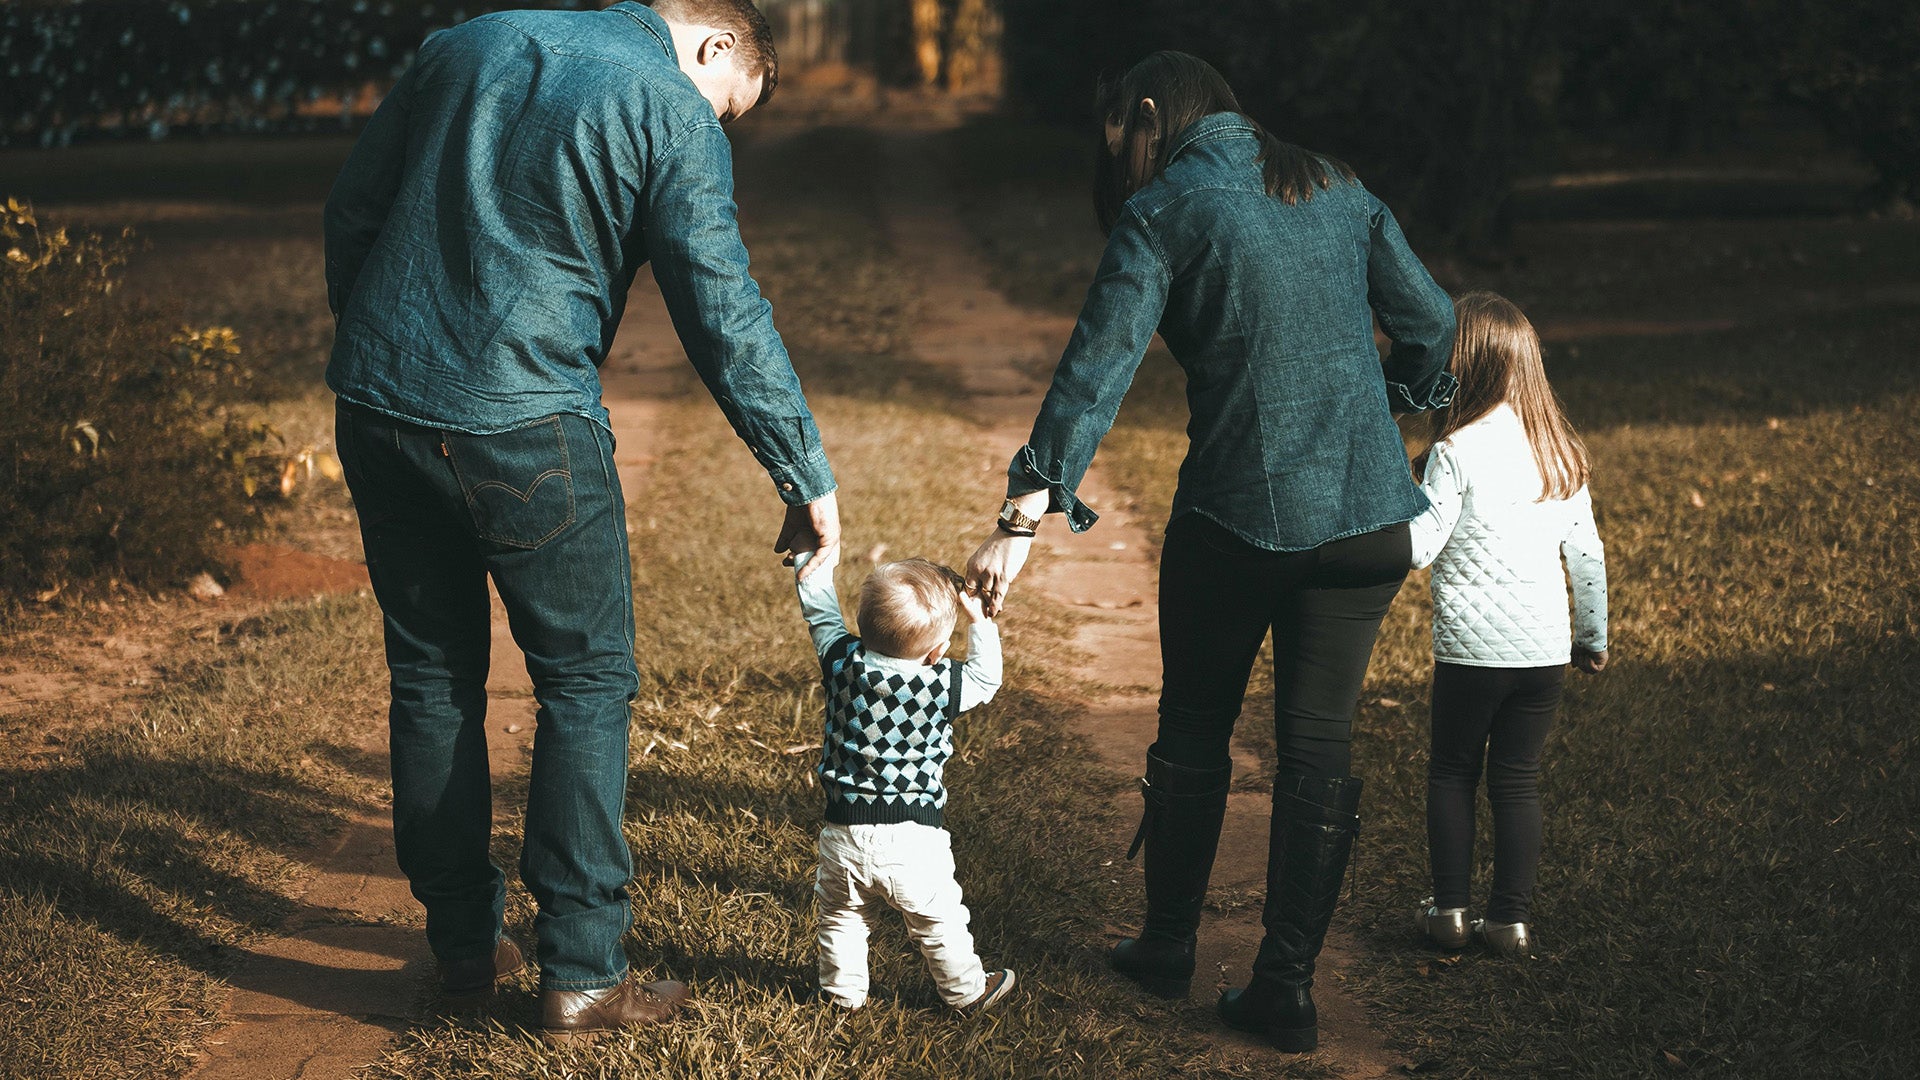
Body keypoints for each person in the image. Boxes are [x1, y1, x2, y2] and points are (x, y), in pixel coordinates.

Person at [323, 0, 842, 1043]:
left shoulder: (466, 41)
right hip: (526, 425)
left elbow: (354, 210)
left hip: (378, 407)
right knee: (586, 680)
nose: (718, 129)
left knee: (432, 675)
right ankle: (584, 972)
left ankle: (465, 949)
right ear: (714, 44)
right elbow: (721, 307)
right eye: (728, 109)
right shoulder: (669, 104)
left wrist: (388, 359)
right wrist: (803, 473)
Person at [965, 51, 1457, 1052]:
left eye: (1127, 143)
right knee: (1320, 745)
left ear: (1151, 115)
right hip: (1369, 525)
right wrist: (1397, 404)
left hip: (1238, 522)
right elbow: (1435, 324)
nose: (1128, 166)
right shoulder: (1337, 184)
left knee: (1194, 726)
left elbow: (1090, 379)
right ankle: (1286, 989)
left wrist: (1019, 523)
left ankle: (1166, 945)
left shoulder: (1166, 211)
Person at [1407, 292, 1609, 960]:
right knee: (1518, 780)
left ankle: (1450, 914)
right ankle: (1511, 923)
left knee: (1453, 773)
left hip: (1470, 654)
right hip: (1543, 652)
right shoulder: (1560, 452)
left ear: (1461, 366)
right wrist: (1592, 639)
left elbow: (1420, 548)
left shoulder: (1455, 452)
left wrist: (1391, 504)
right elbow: (1586, 556)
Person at [792, 553, 1017, 1012]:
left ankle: (841, 995)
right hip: (914, 839)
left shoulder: (841, 662)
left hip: (843, 834)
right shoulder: (942, 684)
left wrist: (811, 557)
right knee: (939, 922)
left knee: (842, 919)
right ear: (936, 652)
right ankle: (967, 992)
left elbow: (819, 612)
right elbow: (987, 678)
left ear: (862, 625)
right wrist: (979, 621)